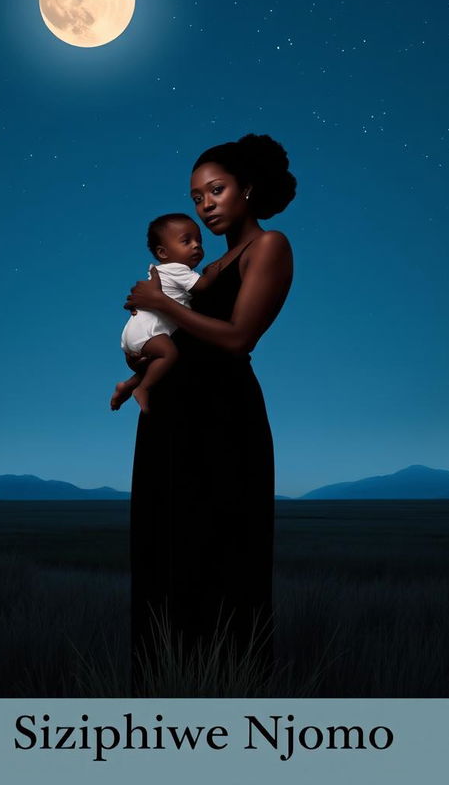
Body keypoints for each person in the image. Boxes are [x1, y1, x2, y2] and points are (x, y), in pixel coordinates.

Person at [124, 133, 295, 692]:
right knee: (164, 552)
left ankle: (232, 700)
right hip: (171, 424)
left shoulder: (268, 248)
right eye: (197, 197)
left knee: (222, 554)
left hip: (224, 424)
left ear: (247, 188)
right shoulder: (207, 268)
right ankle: (161, 695)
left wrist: (156, 303)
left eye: (216, 190)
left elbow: (239, 338)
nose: (206, 205)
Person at [110, 213, 221, 414]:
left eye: (199, 241)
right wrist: (212, 273)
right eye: (186, 241)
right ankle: (143, 389)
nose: (196, 245)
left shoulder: (162, 271)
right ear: (163, 253)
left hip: (137, 332)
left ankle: (128, 385)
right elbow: (203, 286)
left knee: (158, 365)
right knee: (169, 354)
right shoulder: (178, 269)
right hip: (149, 332)